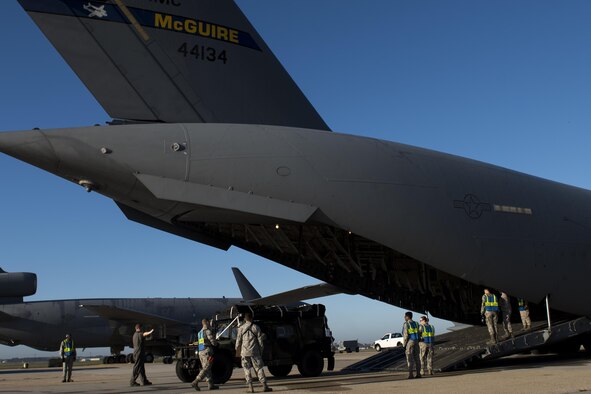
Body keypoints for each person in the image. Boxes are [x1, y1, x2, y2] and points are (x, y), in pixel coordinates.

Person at [235, 313, 272, 393]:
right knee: (259, 368)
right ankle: (264, 386)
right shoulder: (256, 327)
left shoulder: (240, 328)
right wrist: (260, 351)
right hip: (255, 352)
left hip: (244, 352)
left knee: (246, 369)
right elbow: (260, 342)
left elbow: (238, 342)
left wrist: (238, 351)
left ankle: (250, 387)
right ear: (252, 318)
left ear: (245, 319)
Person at [191, 319, 219, 391]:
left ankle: (210, 384)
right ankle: (195, 382)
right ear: (206, 323)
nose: (209, 323)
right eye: (209, 322)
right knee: (206, 368)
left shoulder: (200, 332)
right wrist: (216, 343)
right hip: (207, 352)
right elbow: (212, 341)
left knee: (207, 368)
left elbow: (200, 343)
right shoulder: (207, 331)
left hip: (201, 352)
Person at [402, 311, 421, 379]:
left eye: (405, 316)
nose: (404, 317)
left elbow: (405, 335)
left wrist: (404, 345)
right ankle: (418, 374)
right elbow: (419, 333)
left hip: (410, 341)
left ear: (407, 317)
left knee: (409, 358)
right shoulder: (416, 323)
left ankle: (411, 374)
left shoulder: (406, 324)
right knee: (417, 358)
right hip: (416, 341)